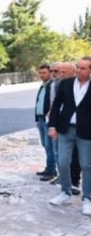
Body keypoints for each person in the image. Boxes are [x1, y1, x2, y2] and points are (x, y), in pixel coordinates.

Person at [48, 56, 91, 214]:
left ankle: (87, 198)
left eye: (83, 68)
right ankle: (65, 192)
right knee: (63, 162)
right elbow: (56, 105)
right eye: (77, 67)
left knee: (86, 165)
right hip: (65, 129)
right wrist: (52, 125)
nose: (78, 70)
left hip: (86, 131)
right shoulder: (65, 84)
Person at [50, 62, 82, 195]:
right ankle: (66, 184)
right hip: (64, 126)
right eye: (60, 72)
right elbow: (56, 106)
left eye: (64, 72)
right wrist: (53, 125)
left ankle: (75, 182)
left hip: (81, 127)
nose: (60, 74)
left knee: (79, 157)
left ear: (73, 72)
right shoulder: (60, 85)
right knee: (63, 157)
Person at [34, 64, 56, 181]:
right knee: (45, 145)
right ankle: (50, 168)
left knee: (50, 146)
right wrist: (37, 119)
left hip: (48, 121)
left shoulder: (52, 86)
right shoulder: (42, 86)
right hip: (41, 119)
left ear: (50, 73)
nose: (42, 75)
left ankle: (51, 170)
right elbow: (39, 103)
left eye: (44, 73)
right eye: (40, 73)